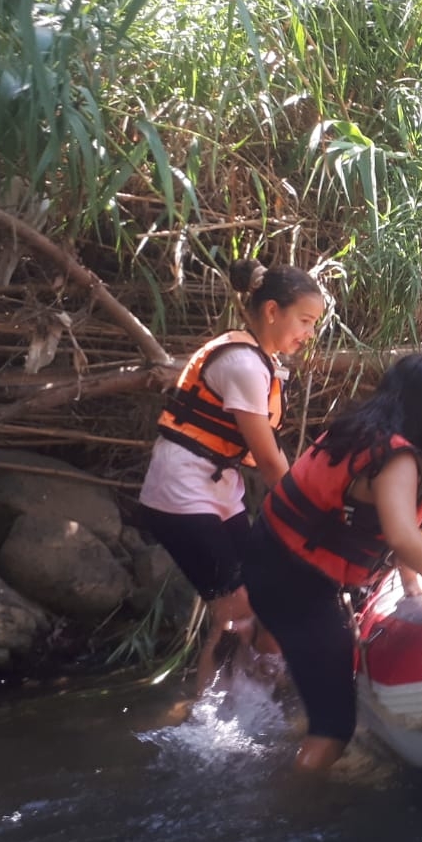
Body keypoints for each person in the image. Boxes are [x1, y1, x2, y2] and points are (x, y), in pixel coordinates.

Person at [241, 354, 422, 772]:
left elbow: (391, 533)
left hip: (268, 559)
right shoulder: (398, 457)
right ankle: (295, 811)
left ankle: (252, 710)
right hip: (299, 584)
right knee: (334, 727)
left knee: (305, 672)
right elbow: (403, 535)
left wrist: (414, 590)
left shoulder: (358, 432)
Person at [138, 259, 324, 693]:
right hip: (180, 495)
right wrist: (312, 512)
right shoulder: (242, 363)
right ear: (273, 310)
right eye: (304, 321)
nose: (308, 333)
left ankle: (248, 696)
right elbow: (267, 457)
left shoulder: (261, 362)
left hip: (218, 493)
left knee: (261, 594)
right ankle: (208, 714)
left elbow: (268, 456)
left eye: (313, 324)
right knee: (235, 606)